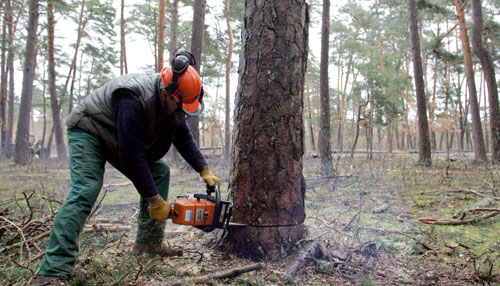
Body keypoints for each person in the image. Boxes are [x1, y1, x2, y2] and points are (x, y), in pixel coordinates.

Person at [33, 49, 220, 285]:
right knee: (87, 188)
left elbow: (181, 135)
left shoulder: (173, 101)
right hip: (89, 128)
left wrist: (203, 169)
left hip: (117, 136)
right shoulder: (133, 98)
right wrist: (155, 200)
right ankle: (52, 271)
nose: (182, 111)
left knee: (159, 171)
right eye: (180, 105)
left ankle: (148, 243)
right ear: (166, 92)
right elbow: (132, 155)